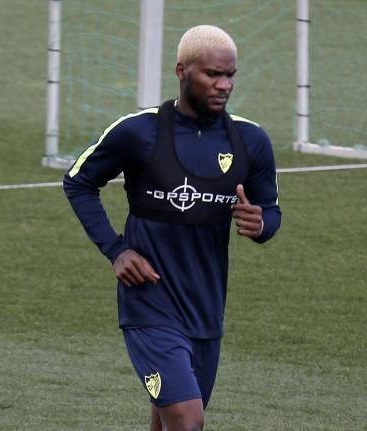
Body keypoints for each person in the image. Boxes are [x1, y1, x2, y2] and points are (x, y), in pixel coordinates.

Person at [63, 24, 281, 431]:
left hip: (206, 308)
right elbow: (78, 182)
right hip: (149, 304)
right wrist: (116, 250)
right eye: (213, 74)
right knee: (186, 419)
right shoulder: (139, 132)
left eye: (230, 75)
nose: (224, 85)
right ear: (182, 71)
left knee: (170, 423)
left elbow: (270, 211)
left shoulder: (250, 141)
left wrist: (262, 223)